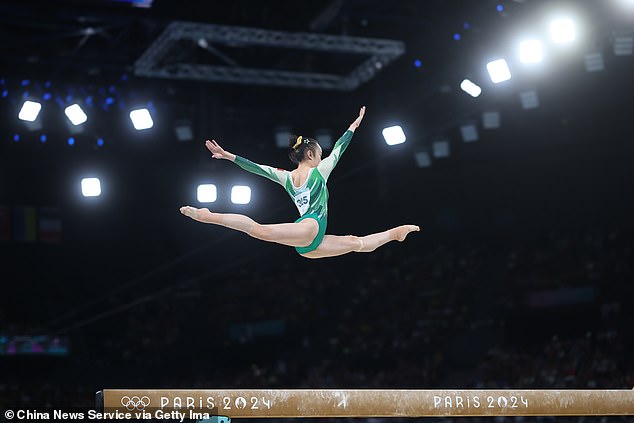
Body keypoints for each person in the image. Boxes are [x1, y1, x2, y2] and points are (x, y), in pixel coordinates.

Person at [180, 106, 420, 259]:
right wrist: (351, 127)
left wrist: (230, 157)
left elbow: (256, 168)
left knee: (356, 243)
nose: (322, 156)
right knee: (260, 230)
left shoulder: (289, 176)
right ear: (310, 155)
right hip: (310, 229)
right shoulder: (318, 171)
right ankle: (208, 215)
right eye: (319, 152)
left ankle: (393, 233)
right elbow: (339, 149)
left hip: (307, 245)